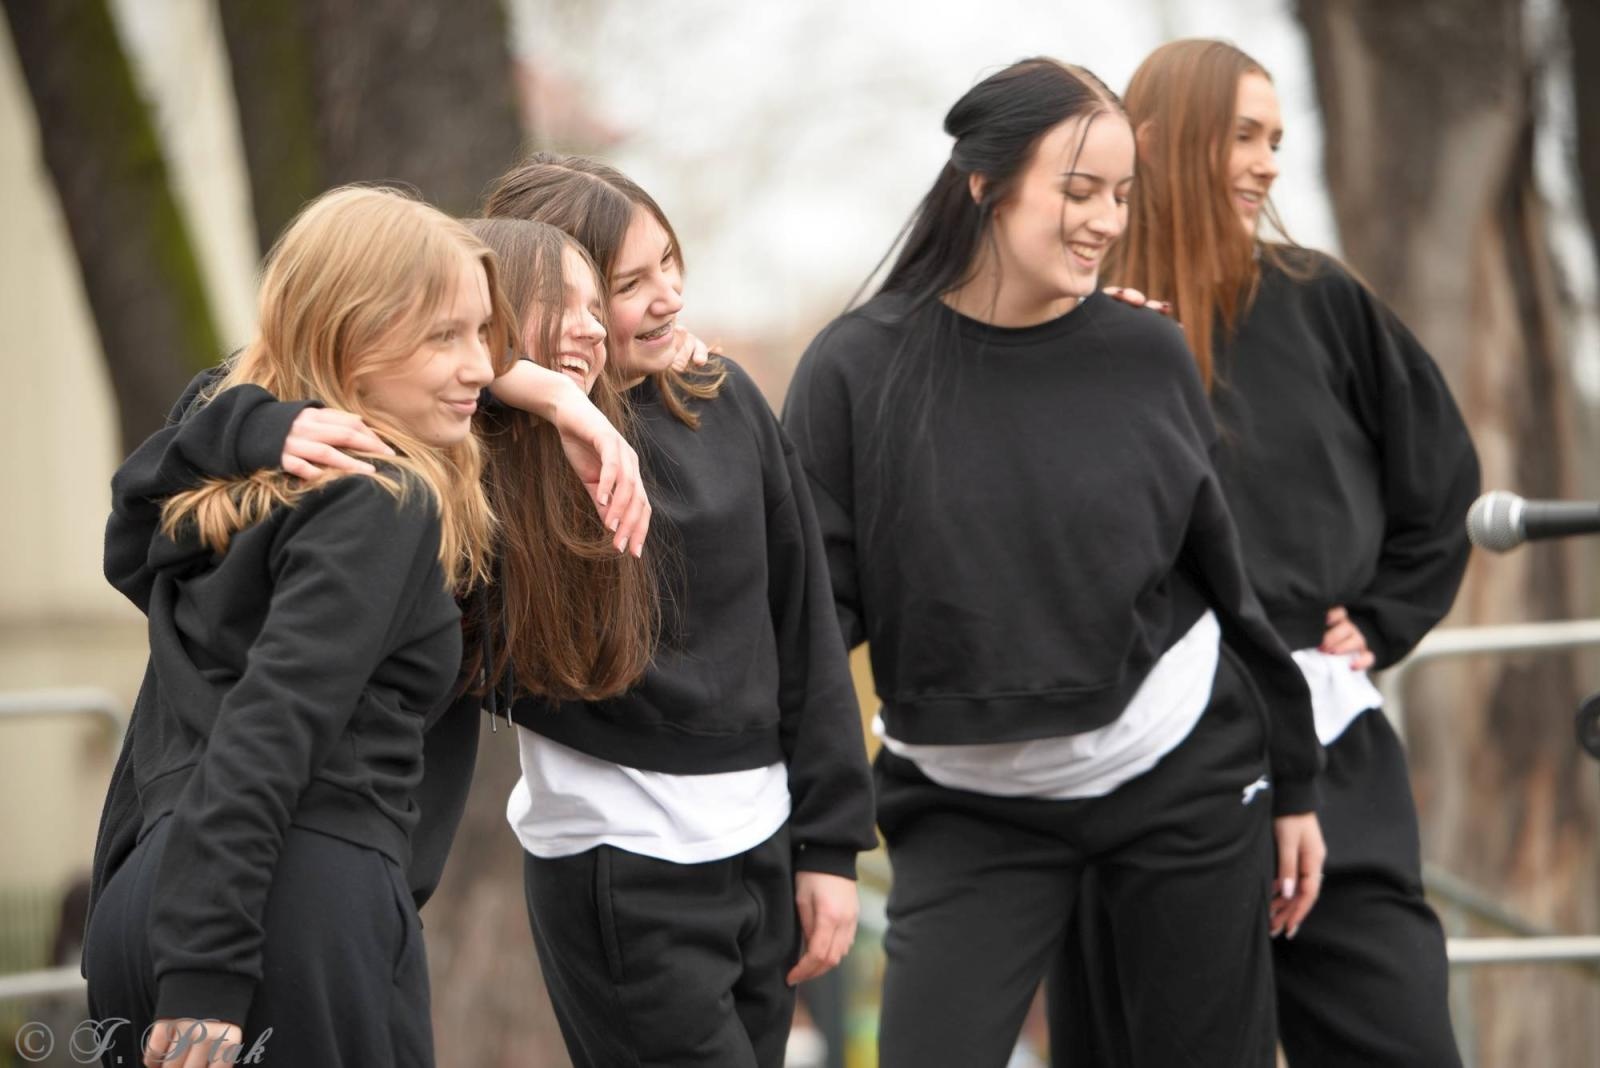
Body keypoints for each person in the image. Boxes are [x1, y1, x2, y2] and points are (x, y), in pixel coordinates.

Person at [781, 57, 1326, 1067]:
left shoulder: (1145, 354)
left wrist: (1294, 782)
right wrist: (819, 838)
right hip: (964, 804)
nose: (1106, 220)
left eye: (1121, 195)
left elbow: (1220, 578)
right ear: (983, 185)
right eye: (1078, 192)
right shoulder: (855, 370)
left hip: (1177, 779)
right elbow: (811, 623)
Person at [1051, 39, 1479, 1067]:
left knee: (1401, 1032)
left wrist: (1382, 618)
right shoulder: (1071, 326)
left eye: (1276, 138)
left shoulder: (1321, 301)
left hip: (1326, 739)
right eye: (1243, 135)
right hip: (1143, 753)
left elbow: (1442, 484)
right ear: (1153, 144)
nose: (1268, 162)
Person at [83, 185, 516, 1068]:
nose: (479, 365)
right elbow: (269, 729)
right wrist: (207, 968)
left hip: (143, 907)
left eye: (484, 333)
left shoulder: (223, 506)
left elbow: (132, 523)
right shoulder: (380, 502)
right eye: (443, 334)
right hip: (279, 913)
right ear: (350, 337)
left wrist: (242, 427)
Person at [480, 153, 878, 1068]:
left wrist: (829, 847)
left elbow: (805, 627)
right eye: (628, 284)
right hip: (622, 869)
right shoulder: (497, 447)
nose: (667, 298)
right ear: (552, 300)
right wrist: (528, 388)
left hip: (765, 853)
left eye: (670, 264)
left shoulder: (723, 399)